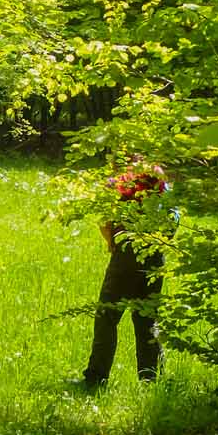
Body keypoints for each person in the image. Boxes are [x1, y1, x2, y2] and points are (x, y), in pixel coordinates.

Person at [76, 161, 172, 388]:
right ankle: (151, 379)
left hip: (126, 251)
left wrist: (111, 243)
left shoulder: (118, 182)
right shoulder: (162, 184)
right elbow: (172, 219)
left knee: (107, 316)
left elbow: (104, 220)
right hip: (155, 253)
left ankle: (96, 378)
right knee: (147, 318)